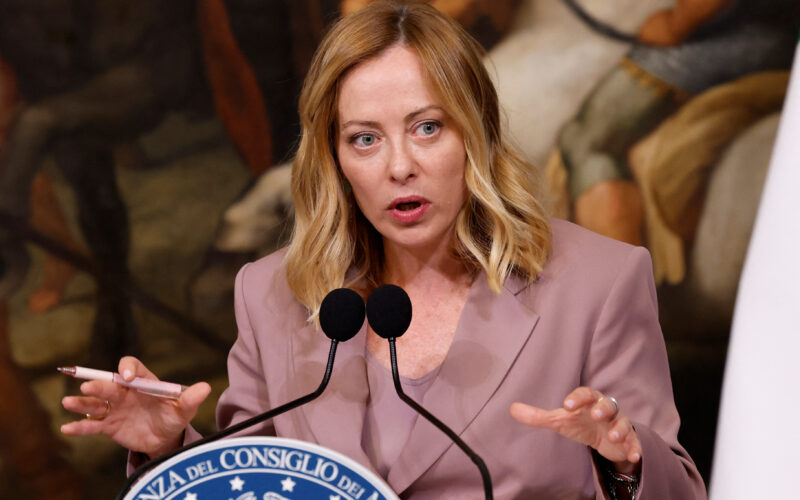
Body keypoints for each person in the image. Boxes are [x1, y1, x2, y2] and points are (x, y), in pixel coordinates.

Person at [60, 2, 706, 498]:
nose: (400, 167)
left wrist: (624, 459)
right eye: (365, 139)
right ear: (335, 159)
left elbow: (679, 489)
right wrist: (170, 447)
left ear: (476, 134)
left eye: (427, 128)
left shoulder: (598, 281)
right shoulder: (271, 294)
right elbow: (256, 482)